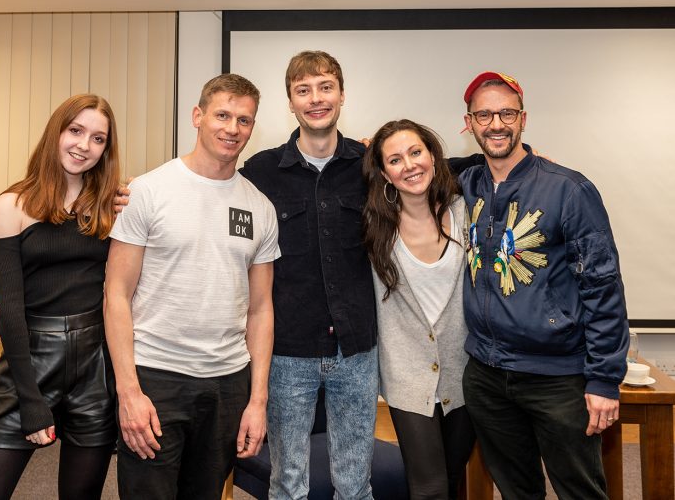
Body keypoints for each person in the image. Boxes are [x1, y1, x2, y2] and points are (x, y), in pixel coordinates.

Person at [103, 73, 280, 500]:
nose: (232, 128)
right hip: (156, 379)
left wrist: (257, 401)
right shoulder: (146, 192)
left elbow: (260, 310)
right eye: (222, 115)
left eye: (244, 120)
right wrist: (129, 391)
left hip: (226, 384)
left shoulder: (260, 207)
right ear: (198, 116)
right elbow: (116, 295)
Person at [459, 71, 629, 499]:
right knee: (516, 491)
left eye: (506, 113)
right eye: (484, 114)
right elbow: (417, 165)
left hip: (557, 376)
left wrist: (605, 379)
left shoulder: (568, 189)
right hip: (486, 375)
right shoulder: (466, 184)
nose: (496, 123)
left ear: (524, 118)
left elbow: (602, 285)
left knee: (579, 490)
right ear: (469, 122)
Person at [0, 94, 121, 500]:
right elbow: (10, 313)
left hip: (95, 368)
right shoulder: (12, 205)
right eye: (76, 131)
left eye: (98, 138)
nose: (84, 145)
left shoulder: (109, 206)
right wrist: (30, 401)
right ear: (56, 133)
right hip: (30, 363)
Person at [240, 51, 379, 499]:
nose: (316, 99)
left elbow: (434, 173)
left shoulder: (370, 165)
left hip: (356, 350)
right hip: (286, 353)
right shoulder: (261, 171)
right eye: (304, 90)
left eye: (325, 88)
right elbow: (206, 191)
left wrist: (510, 159)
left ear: (341, 94)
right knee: (288, 483)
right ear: (291, 101)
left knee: (356, 485)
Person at [361, 119, 476, 500]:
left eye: (415, 153)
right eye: (395, 159)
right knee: (428, 486)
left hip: (466, 369)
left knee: (452, 475)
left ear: (433, 155)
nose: (409, 165)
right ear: (384, 173)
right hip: (407, 374)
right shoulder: (373, 225)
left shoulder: (466, 212)